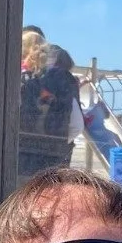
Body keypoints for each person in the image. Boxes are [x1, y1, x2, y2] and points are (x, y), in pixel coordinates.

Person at [17, 29, 80, 180]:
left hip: (19, 161)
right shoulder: (62, 79)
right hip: (54, 166)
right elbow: (77, 125)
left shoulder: (16, 78)